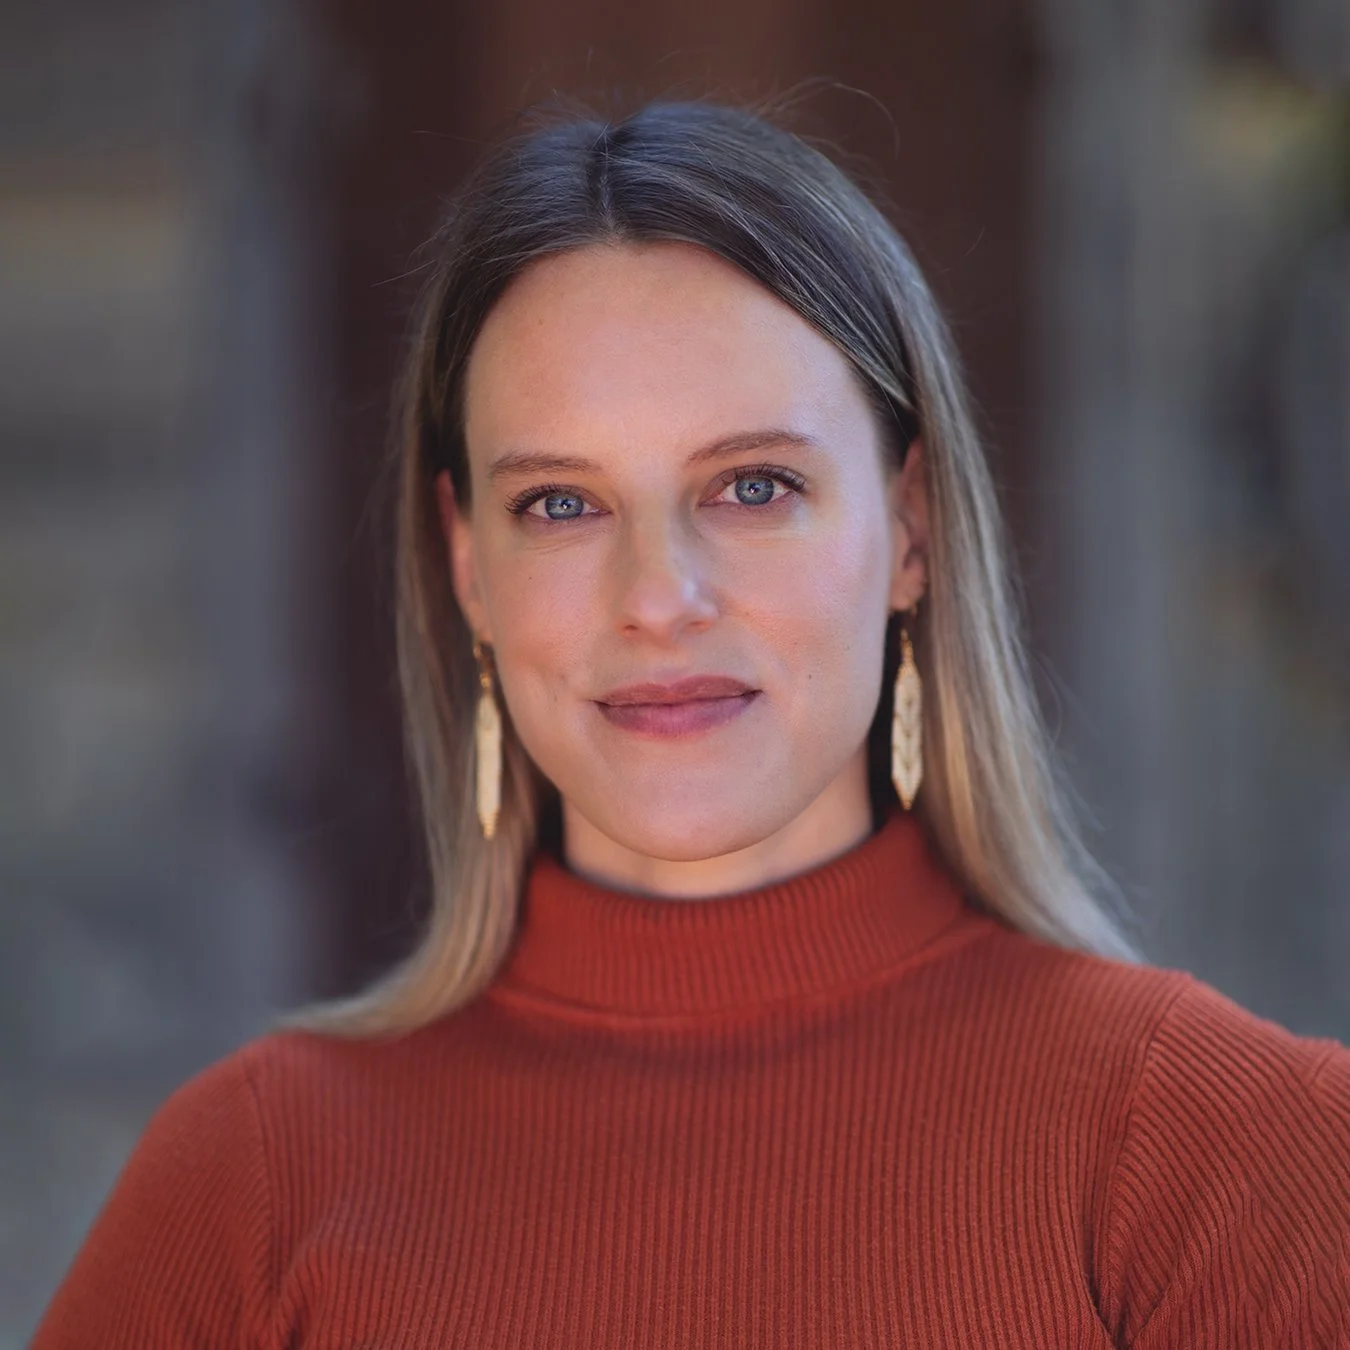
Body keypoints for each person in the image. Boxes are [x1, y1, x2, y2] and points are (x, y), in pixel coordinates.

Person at [33, 97, 1349, 1349]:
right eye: (560, 504)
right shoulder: (251, 1183)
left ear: (911, 527)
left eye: (753, 485)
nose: (658, 597)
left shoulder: (1226, 1152)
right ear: (468, 564)